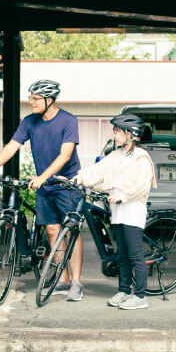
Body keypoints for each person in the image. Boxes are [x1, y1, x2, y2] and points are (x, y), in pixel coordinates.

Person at [0, 79, 86, 301]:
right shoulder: (29, 122)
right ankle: (62, 280)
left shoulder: (68, 121)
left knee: (72, 232)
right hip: (44, 187)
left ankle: (76, 282)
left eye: (35, 99)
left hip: (67, 185)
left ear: (49, 100)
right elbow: (12, 146)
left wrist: (43, 177)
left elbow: (65, 155)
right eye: (30, 98)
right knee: (52, 231)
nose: (31, 102)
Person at [75, 113, 156, 310]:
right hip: (118, 212)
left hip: (133, 211)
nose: (114, 135)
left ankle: (140, 296)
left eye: (117, 131)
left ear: (130, 134)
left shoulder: (142, 158)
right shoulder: (116, 155)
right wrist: (75, 179)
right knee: (123, 255)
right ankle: (124, 290)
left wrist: (123, 196)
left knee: (135, 255)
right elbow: (97, 170)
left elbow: (143, 187)